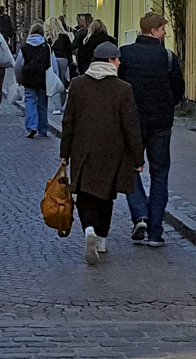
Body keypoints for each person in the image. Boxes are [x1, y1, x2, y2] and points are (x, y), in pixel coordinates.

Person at [60, 42, 145, 266]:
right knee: (106, 197)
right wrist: (138, 158)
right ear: (109, 61)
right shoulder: (123, 88)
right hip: (112, 152)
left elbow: (68, 121)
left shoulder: (78, 85)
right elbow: (131, 126)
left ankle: (88, 229)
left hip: (82, 150)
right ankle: (102, 239)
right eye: (117, 59)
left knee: (85, 196)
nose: (119, 63)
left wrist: (64, 153)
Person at [118, 12, 184, 247]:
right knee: (160, 174)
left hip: (131, 123)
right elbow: (178, 90)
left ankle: (140, 215)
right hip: (160, 124)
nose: (165, 33)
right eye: (163, 29)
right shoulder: (167, 57)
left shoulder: (124, 55)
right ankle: (155, 232)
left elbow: (118, 87)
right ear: (155, 30)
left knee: (129, 168)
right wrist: (165, 106)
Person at [16, 22, 53, 138]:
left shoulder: (25, 47)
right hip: (43, 78)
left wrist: (19, 79)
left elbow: (18, 65)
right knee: (42, 103)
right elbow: (52, 64)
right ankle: (43, 128)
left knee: (30, 101)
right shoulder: (46, 47)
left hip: (29, 78)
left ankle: (32, 126)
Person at [44, 16, 72, 114]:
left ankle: (57, 106)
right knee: (62, 82)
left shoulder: (48, 38)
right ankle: (61, 104)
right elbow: (69, 50)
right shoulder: (65, 36)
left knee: (54, 82)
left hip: (53, 60)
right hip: (63, 60)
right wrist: (70, 62)